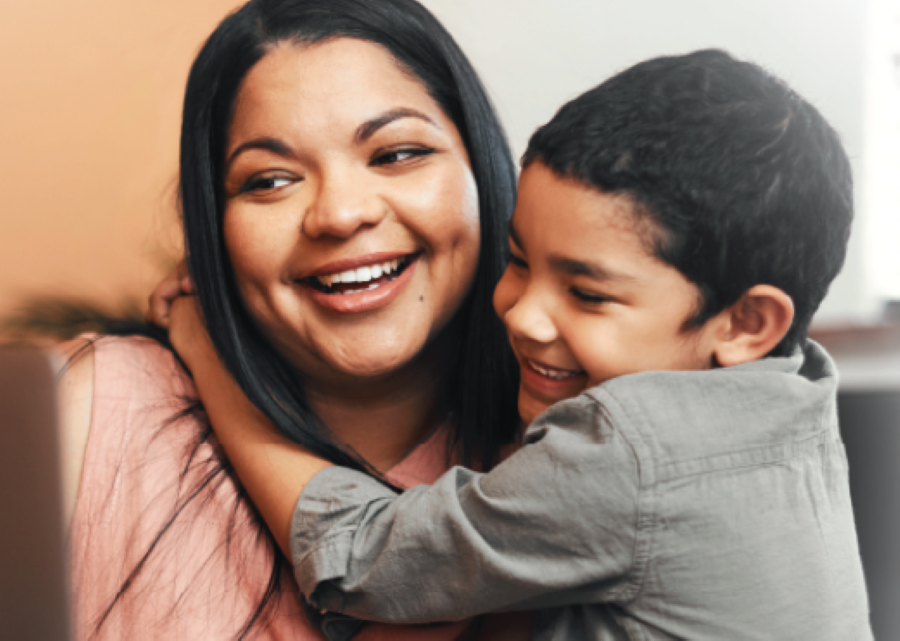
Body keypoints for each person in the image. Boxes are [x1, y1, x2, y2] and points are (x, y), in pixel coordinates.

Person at [161, 50, 872, 640]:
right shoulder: (795, 395)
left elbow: (364, 559)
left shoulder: (630, 451)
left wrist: (215, 356)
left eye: (587, 294)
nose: (524, 314)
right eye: (519, 258)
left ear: (745, 323)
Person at [58, 0, 530, 638]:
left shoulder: (574, 463)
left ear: (482, 168)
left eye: (395, 154)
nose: (338, 214)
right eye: (270, 181)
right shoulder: (88, 410)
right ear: (212, 227)